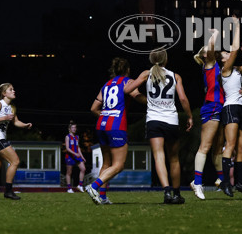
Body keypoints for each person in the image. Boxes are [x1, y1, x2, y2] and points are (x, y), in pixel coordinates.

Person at [125, 49, 194, 204]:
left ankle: (167, 191)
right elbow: (182, 99)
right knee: (174, 159)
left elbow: (127, 90)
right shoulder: (175, 76)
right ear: (166, 60)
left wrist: (144, 97)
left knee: (159, 157)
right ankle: (176, 193)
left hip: (154, 120)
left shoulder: (146, 74)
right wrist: (189, 116)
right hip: (171, 120)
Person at [85, 57, 146, 205]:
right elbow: (139, 98)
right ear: (128, 70)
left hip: (101, 125)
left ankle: (103, 197)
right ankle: (93, 187)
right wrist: (155, 102)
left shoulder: (106, 85)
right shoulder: (128, 82)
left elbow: (93, 108)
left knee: (107, 163)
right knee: (118, 165)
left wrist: (107, 116)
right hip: (116, 126)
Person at [219, 16, 242, 199]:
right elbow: (233, 50)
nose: (228, 53)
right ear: (223, 59)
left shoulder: (237, 70)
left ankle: (241, 182)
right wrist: (237, 25)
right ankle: (226, 182)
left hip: (240, 108)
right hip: (230, 108)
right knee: (230, 146)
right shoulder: (224, 70)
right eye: (225, 53)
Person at [190, 28, 226, 200]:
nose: (210, 50)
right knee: (205, 146)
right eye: (207, 50)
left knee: (217, 148)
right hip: (212, 106)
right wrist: (215, 34)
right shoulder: (209, 63)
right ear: (205, 55)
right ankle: (197, 183)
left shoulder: (216, 65)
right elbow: (211, 47)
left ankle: (222, 179)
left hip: (218, 106)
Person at [64, 121, 86, 193]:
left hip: (77, 156)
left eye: (75, 127)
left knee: (83, 169)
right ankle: (69, 188)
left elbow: (78, 147)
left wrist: (82, 156)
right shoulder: (67, 137)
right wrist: (75, 154)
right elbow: (67, 148)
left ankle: (80, 185)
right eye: (72, 127)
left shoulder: (77, 137)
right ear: (69, 129)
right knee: (69, 172)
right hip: (70, 157)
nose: (74, 129)